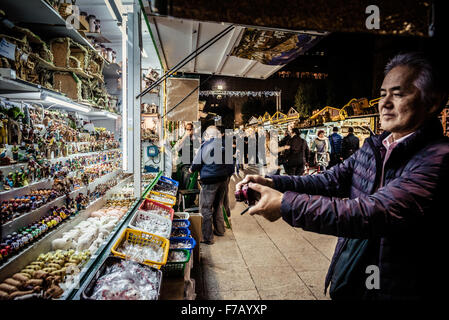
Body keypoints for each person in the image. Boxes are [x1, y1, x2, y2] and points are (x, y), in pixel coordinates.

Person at [235, 52, 449, 300]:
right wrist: (273, 182)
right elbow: (328, 180)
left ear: (433, 102)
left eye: (398, 94)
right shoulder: (374, 147)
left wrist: (285, 204)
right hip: (354, 278)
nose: (385, 103)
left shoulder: (438, 158)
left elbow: (373, 212)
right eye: (383, 94)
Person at [190, 126, 234, 245]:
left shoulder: (206, 145)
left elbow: (197, 163)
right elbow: (231, 166)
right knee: (218, 205)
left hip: (209, 180)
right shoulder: (225, 145)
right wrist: (226, 176)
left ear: (209, 135)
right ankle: (220, 230)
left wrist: (191, 169)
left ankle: (207, 237)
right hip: (223, 180)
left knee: (205, 208)